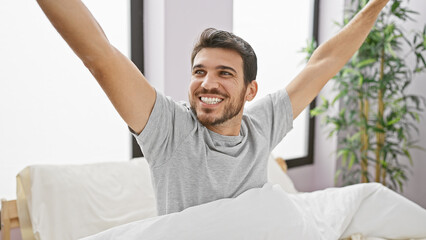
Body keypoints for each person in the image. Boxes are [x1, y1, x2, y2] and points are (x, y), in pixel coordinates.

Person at [36, 0, 390, 215]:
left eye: (224, 73)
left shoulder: (262, 125)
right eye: (199, 71)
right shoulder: (168, 128)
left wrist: (377, 3)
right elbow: (100, 54)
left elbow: (323, 63)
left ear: (250, 91)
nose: (207, 83)